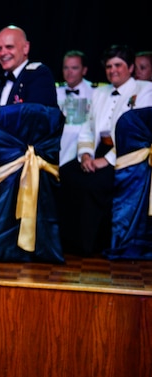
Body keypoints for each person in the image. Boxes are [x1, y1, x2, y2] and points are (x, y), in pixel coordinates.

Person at [61, 44, 152, 256]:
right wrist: (85, 154)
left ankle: (91, 245)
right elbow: (88, 127)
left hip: (127, 155)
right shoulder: (99, 92)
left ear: (130, 67)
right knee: (65, 174)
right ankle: (68, 242)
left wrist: (108, 160)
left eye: (118, 65)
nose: (113, 70)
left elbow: (136, 134)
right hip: (98, 149)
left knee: (95, 185)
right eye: (109, 66)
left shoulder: (145, 90)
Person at [0, 25, 58, 173]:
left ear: (26, 48)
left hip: (24, 160)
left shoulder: (38, 75)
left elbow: (34, 126)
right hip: (0, 156)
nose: (3, 53)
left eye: (9, 47)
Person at [56, 49, 96, 166]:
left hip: (82, 147)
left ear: (84, 70)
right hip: (59, 145)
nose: (69, 72)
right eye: (66, 68)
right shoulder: (55, 91)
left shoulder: (95, 93)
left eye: (74, 68)